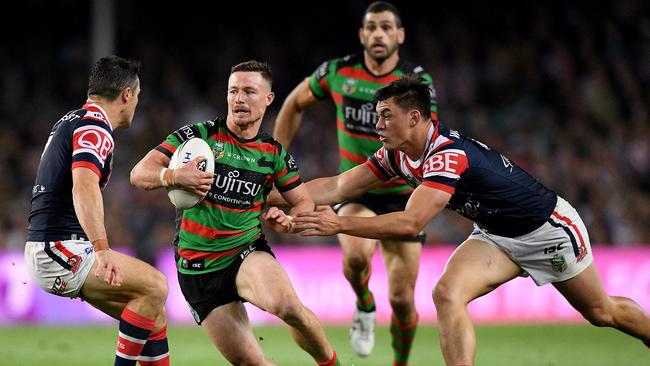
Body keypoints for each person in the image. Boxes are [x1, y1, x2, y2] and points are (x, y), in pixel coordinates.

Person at [274, 75, 650, 366]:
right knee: (447, 293)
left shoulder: (446, 156)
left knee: (601, 312)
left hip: (546, 229)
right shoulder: (398, 155)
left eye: (386, 116)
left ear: (415, 117)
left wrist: (338, 225)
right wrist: (270, 196)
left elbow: (409, 223)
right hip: (495, 236)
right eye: (378, 118)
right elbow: (339, 186)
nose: (379, 126)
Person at [130, 60, 341, 366]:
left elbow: (303, 201)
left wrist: (291, 221)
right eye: (233, 91)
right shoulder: (198, 138)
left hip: (245, 250)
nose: (239, 98)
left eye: (249, 91)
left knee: (288, 307)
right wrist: (174, 177)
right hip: (198, 269)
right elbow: (139, 174)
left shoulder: (273, 153)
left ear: (268, 98)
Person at [273, 2, 437, 362]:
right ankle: (364, 304)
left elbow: (428, 136)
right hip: (356, 188)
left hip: (404, 195)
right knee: (356, 258)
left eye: (386, 27)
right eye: (372, 27)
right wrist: (275, 159)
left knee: (402, 301)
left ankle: (400, 362)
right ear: (362, 34)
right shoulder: (337, 72)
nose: (379, 34)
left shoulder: (416, 83)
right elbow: (293, 103)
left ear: (400, 35)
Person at [25, 56, 170, 366]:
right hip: (57, 247)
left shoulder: (72, 119)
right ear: (127, 94)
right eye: (138, 95)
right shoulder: (95, 127)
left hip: (51, 245)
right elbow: (84, 185)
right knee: (156, 285)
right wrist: (102, 250)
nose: (137, 104)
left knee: (153, 314)